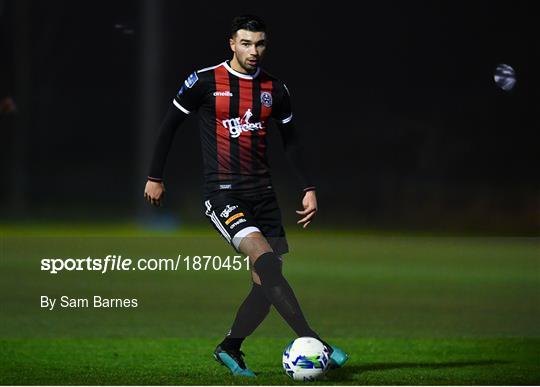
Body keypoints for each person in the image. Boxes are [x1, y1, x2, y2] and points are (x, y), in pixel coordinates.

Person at [144, 15, 348, 377]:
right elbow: (168, 127)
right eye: (246, 43)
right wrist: (155, 177)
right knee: (266, 263)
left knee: (265, 285)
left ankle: (229, 348)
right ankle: (317, 343)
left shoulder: (275, 88)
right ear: (232, 44)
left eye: (260, 44)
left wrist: (308, 188)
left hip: (264, 196)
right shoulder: (204, 82)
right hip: (223, 194)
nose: (254, 51)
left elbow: (292, 142)